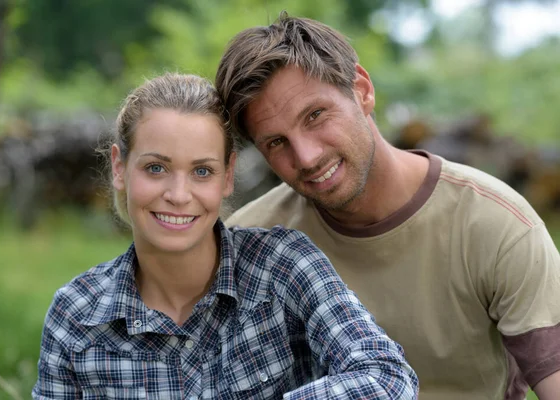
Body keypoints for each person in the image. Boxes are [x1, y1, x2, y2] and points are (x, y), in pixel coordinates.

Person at [216, 13, 560, 400]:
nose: (307, 156)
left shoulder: (495, 224)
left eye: (315, 116)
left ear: (362, 90)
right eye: (277, 142)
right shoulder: (252, 242)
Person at [32, 73, 418, 399]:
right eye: (155, 168)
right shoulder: (77, 316)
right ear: (119, 167)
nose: (179, 195)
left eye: (202, 171)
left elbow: (387, 376)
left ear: (228, 175)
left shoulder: (282, 266)